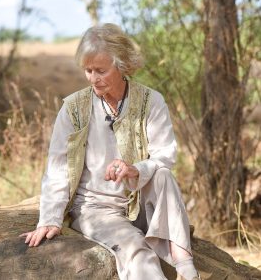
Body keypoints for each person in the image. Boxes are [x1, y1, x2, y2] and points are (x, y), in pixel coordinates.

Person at [21, 23, 200, 280]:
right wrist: (50, 219)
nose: (94, 78)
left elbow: (165, 155)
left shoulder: (151, 101)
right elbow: (57, 168)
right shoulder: (73, 109)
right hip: (96, 209)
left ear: (122, 65)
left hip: (139, 202)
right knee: (137, 251)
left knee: (163, 176)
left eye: (101, 71)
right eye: (88, 70)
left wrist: (135, 169)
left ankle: (186, 269)